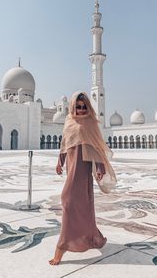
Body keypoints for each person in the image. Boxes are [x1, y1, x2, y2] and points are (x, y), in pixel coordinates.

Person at [49, 91, 117, 265]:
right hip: (71, 166)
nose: (80, 110)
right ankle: (93, 237)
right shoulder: (69, 121)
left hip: (83, 169)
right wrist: (60, 162)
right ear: (73, 107)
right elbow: (65, 144)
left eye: (83, 107)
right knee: (73, 202)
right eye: (78, 107)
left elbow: (97, 147)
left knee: (70, 201)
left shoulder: (91, 122)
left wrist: (100, 168)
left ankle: (62, 246)